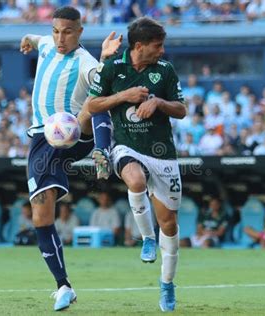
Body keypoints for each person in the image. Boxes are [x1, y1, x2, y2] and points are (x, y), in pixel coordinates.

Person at [19, 6, 122, 311]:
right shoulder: (48, 44)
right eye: (56, 31)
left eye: (67, 32)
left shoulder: (86, 63)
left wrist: (105, 60)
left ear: (79, 32)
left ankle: (103, 151)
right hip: (42, 139)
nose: (60, 38)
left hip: (74, 132)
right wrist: (27, 38)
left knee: (92, 102)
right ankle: (63, 285)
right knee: (41, 216)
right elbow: (36, 39)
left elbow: (103, 88)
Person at [87, 17, 186, 312]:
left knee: (169, 223)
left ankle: (167, 284)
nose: (162, 50)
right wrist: (123, 96)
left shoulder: (164, 71)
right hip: (127, 146)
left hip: (163, 155)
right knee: (136, 181)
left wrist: (158, 103)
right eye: (158, 46)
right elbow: (92, 105)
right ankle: (146, 238)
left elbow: (181, 109)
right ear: (140, 46)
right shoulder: (113, 68)